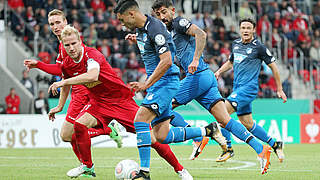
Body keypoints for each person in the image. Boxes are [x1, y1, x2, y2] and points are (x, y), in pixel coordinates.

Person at [48, 25, 192, 179]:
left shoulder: (92, 55)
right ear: (62, 45)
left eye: (74, 43)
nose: (71, 48)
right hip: (98, 102)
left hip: (119, 101)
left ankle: (180, 170)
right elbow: (67, 82)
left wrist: (63, 82)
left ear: (80, 41)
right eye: (67, 45)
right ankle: (87, 166)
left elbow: (92, 76)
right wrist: (60, 105)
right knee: (79, 125)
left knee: (151, 139)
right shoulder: (67, 63)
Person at [115, 1, 237, 179]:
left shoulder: (155, 27)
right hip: (159, 83)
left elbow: (166, 61)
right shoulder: (142, 31)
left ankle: (144, 173)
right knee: (161, 135)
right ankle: (207, 131)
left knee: (140, 119)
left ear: (131, 14)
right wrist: (138, 41)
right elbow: (155, 50)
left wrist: (146, 84)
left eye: (122, 19)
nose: (121, 24)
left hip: (165, 82)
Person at [152, 1, 274, 172]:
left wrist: (195, 59)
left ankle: (196, 137)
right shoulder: (169, 30)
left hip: (197, 76)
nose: (162, 17)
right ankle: (261, 149)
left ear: (172, 10)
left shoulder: (179, 22)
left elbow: (201, 34)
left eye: (164, 12)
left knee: (162, 105)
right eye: (158, 14)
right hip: (206, 77)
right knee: (225, 121)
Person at [23, 9, 123, 169]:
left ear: (65, 22)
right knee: (67, 135)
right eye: (51, 24)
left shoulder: (70, 42)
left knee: (69, 134)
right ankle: (86, 164)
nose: (55, 26)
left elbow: (61, 72)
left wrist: (39, 65)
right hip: (78, 91)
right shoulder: (63, 44)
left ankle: (103, 136)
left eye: (58, 22)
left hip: (84, 91)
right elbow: (64, 75)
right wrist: (60, 105)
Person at [215, 18, 287, 164]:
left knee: (222, 113)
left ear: (254, 30)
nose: (246, 30)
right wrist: (218, 72)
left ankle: (228, 148)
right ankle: (275, 144)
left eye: (249, 28)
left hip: (248, 89)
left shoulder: (259, 47)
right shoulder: (235, 44)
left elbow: (274, 67)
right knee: (247, 123)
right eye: (243, 28)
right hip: (238, 89)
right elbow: (230, 62)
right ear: (240, 29)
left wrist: (279, 89)